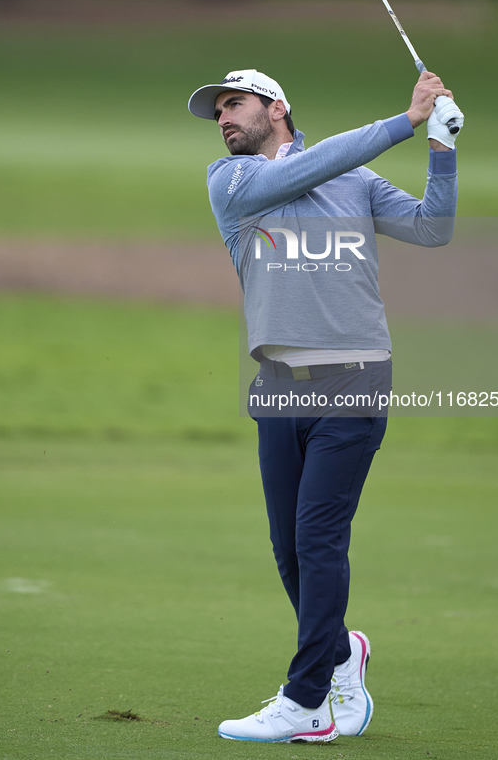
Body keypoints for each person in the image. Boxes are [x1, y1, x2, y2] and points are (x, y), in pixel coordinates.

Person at [187, 68, 463, 744]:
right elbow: (314, 164)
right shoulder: (233, 181)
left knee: (316, 538)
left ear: (275, 106)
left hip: (355, 377)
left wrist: (440, 150)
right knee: (288, 549)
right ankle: (341, 654)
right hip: (277, 385)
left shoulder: (355, 181)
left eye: (234, 104)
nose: (223, 118)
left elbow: (431, 229)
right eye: (216, 110)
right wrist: (401, 121)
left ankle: (308, 697)